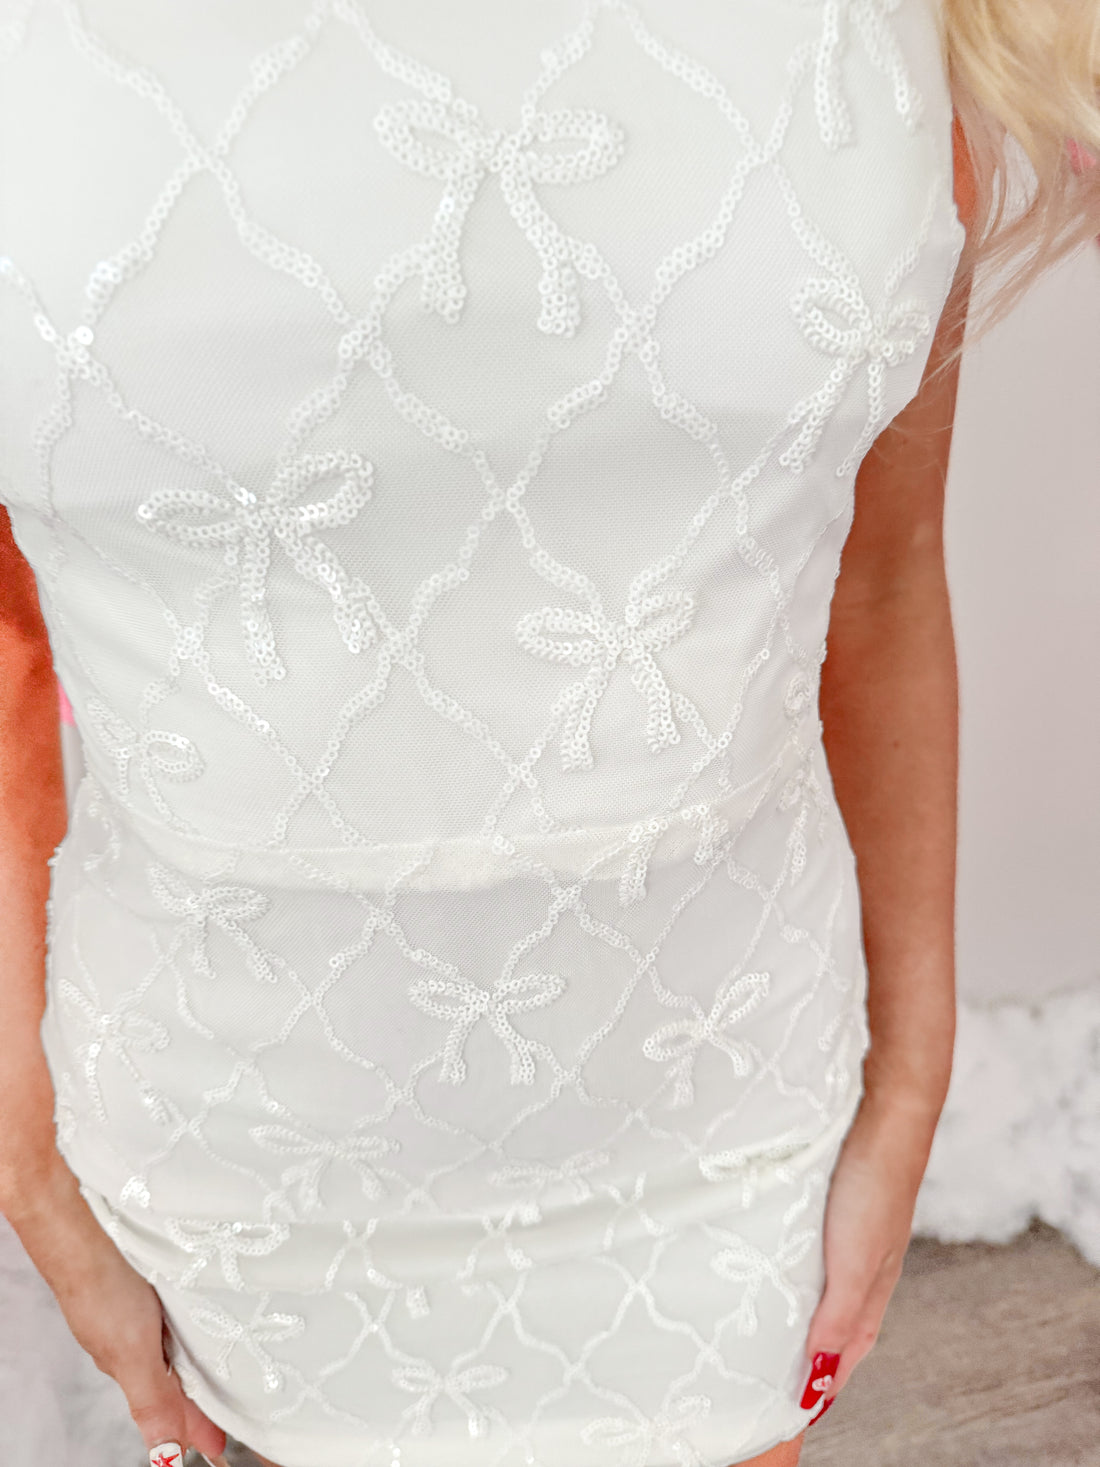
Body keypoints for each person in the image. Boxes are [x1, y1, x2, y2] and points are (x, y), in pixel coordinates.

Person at [0, 4, 1097, 1466]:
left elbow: (882, 582)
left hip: (724, 1126)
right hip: (237, 1154)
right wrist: (24, 1150)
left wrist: (912, 1074)